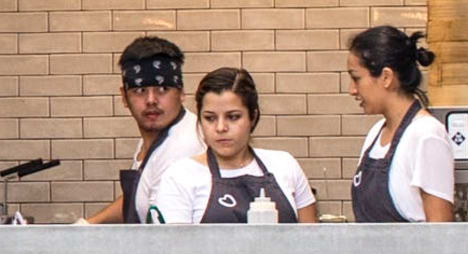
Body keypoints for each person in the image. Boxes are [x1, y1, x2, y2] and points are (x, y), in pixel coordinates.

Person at [138, 66, 319, 223]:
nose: (221, 128)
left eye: (233, 117)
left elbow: (312, 245)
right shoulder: (181, 176)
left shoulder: (284, 164)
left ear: (253, 116)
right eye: (210, 118)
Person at [343, 23, 457, 223]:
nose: (352, 90)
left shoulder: (426, 135)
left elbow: (442, 236)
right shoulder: (376, 133)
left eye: (356, 78)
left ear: (386, 77)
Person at [86, 36, 201, 223]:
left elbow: (161, 234)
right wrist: (88, 224)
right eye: (139, 91)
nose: (151, 100)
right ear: (124, 97)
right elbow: (142, 195)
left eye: (162, 89)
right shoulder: (155, 135)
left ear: (181, 93)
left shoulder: (183, 146)